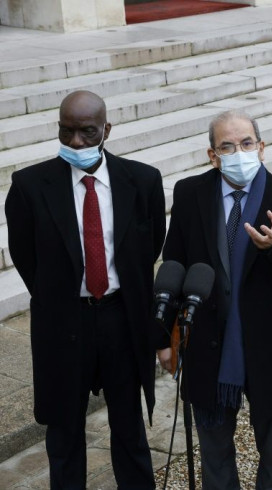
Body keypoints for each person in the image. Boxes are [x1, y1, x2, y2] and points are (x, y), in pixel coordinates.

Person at [5, 90, 166, 488]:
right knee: (64, 432)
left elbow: (150, 245)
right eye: (67, 131)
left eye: (87, 132)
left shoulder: (142, 180)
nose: (76, 142)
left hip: (121, 318)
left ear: (107, 129)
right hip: (63, 320)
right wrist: (58, 294)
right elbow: (25, 255)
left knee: (128, 426)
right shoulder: (29, 185)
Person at [159, 110, 272, 489]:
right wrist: (166, 337)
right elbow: (175, 262)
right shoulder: (190, 194)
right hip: (207, 347)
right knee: (214, 457)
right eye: (227, 146)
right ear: (212, 155)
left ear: (262, 148)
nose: (239, 152)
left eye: (247, 143)